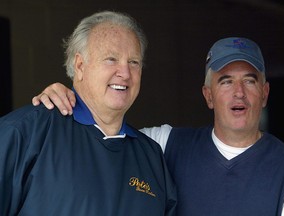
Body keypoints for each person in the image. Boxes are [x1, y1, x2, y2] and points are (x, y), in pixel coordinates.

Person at [34, 37, 284, 216]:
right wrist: (70, 101)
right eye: (225, 82)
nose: (239, 93)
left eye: (250, 81)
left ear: (264, 94)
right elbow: (101, 134)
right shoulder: (165, 143)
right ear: (208, 95)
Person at [0, 11, 177, 216]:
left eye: (134, 62)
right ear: (80, 66)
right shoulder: (26, 133)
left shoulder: (152, 158)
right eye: (111, 59)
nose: (125, 73)